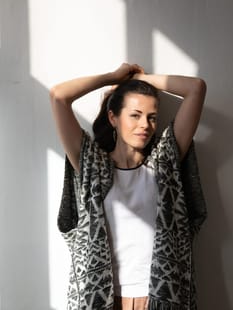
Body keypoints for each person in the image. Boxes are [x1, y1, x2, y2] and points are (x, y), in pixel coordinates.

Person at [50, 63, 207, 310]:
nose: (145, 124)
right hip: (101, 298)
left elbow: (196, 88)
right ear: (113, 117)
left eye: (152, 117)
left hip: (161, 296)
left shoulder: (163, 164)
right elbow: (59, 96)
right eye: (135, 115)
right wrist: (111, 78)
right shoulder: (92, 166)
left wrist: (143, 80)